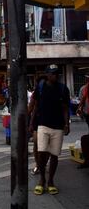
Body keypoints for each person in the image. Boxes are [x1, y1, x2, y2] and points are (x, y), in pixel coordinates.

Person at [30, 64, 70, 196]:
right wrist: (31, 123)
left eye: (56, 73)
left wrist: (67, 124)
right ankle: (42, 179)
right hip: (42, 125)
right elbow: (34, 106)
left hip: (58, 126)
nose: (55, 75)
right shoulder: (40, 87)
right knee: (41, 152)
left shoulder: (63, 89)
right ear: (47, 74)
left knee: (54, 155)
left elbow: (65, 108)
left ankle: (51, 181)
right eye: (52, 73)